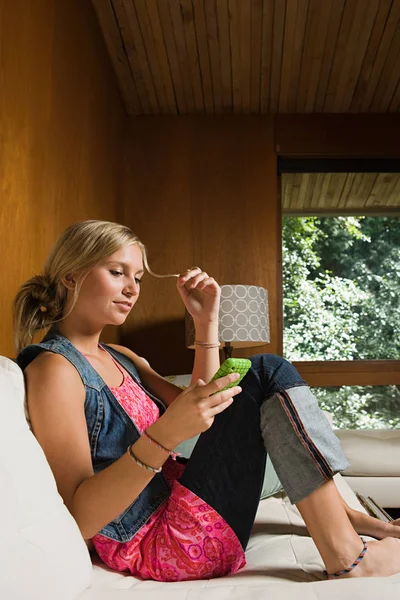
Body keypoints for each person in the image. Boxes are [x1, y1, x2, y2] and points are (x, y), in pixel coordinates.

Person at [13, 220, 400, 582]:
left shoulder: (121, 355)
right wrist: (164, 435)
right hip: (163, 544)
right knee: (265, 370)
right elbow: (78, 518)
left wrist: (206, 322)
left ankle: (346, 521)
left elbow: (212, 405)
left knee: (262, 375)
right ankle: (349, 557)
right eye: (117, 272)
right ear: (70, 276)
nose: (132, 288)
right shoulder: (55, 370)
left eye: (138, 278)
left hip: (184, 505)